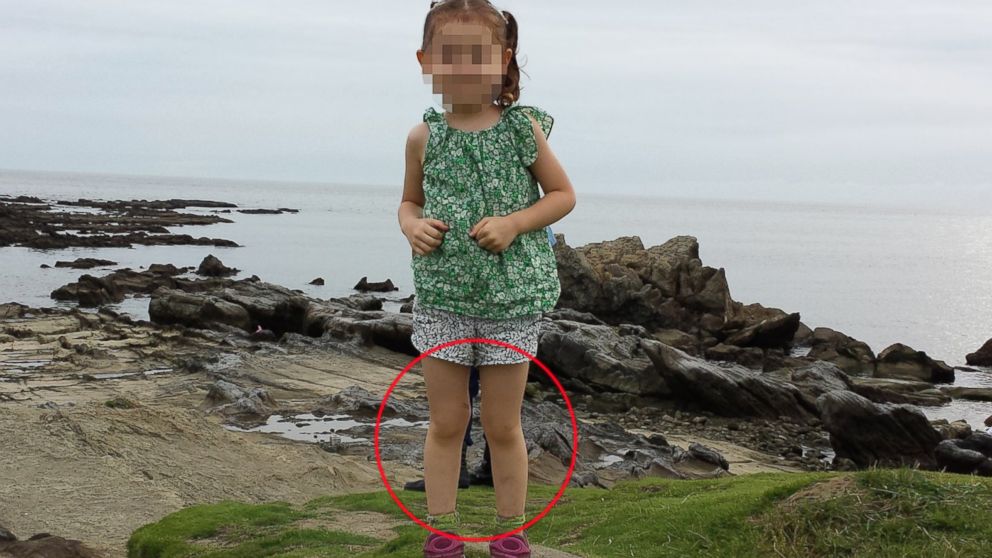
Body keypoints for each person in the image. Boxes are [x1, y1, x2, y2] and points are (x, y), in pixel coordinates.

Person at [398, 0, 575, 555]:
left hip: (512, 301)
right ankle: (443, 530)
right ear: (427, 61)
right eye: (450, 57)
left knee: (502, 425)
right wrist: (412, 227)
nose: (464, 68)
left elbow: (563, 196)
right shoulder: (422, 138)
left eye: (478, 56)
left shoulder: (522, 129)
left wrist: (513, 224)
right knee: (446, 421)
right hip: (443, 299)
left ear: (503, 59)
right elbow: (408, 202)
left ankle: (510, 532)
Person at [403, 228, 557, 494]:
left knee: (497, 408)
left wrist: (513, 226)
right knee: (463, 401)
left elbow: (558, 204)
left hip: (506, 300)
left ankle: (483, 467)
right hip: (460, 299)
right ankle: (468, 467)